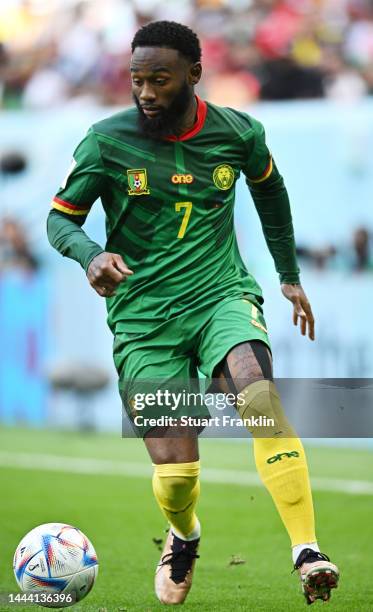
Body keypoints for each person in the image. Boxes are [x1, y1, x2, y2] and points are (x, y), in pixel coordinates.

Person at [47, 20, 339, 606]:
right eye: (137, 80)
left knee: (258, 397)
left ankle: (306, 550)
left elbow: (271, 194)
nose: (146, 92)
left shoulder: (239, 133)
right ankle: (183, 534)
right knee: (177, 470)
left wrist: (287, 275)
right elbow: (61, 219)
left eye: (160, 79)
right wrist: (90, 254)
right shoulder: (105, 141)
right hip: (143, 315)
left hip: (219, 295)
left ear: (194, 75)